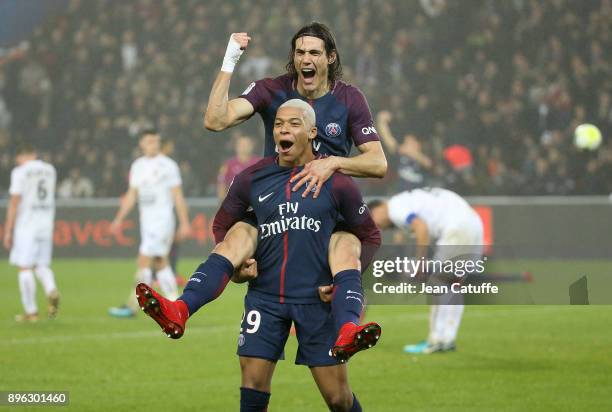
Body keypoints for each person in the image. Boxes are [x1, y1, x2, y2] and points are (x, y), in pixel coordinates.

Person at [137, 100, 381, 411]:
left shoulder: (337, 180)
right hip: (265, 298)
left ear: (312, 132)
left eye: (293, 123)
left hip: (315, 301)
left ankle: (348, 327)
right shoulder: (252, 178)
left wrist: (344, 283)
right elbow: (221, 226)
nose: (283, 129)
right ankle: (181, 308)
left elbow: (371, 235)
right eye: (278, 124)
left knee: (338, 399)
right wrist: (237, 269)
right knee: (252, 385)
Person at [203, 21, 387, 312]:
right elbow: (215, 120)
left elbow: (378, 162)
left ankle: (347, 306)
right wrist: (229, 60)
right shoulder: (272, 90)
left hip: (324, 221)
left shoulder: (350, 99)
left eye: (314, 52)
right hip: (280, 217)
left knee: (329, 343)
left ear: (331, 57)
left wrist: (332, 164)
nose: (306, 59)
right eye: (300, 52)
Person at [367, 187, 484, 354]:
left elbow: (421, 227)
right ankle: (447, 339)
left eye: (373, 220)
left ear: (379, 208)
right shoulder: (406, 201)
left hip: (456, 227)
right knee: (454, 285)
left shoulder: (394, 207)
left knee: (437, 284)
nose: (376, 227)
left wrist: (420, 262)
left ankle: (435, 340)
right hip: (473, 223)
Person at [108, 129, 191, 317]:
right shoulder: (137, 166)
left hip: (162, 222)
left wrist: (184, 222)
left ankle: (133, 305)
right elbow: (132, 195)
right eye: (149, 141)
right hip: (147, 223)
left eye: (156, 141)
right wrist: (119, 218)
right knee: (161, 263)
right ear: (142, 144)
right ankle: (176, 305)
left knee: (144, 260)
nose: (154, 144)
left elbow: (177, 195)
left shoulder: (168, 166)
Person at [3, 143, 60, 322]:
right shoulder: (50, 170)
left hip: (26, 225)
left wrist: (8, 230)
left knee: (25, 266)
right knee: (41, 264)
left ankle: (31, 311)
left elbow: (14, 201)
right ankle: (51, 289)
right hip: (46, 223)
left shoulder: (19, 172)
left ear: (20, 157)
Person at [217, 134, 261, 200]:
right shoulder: (228, 165)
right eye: (241, 145)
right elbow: (221, 184)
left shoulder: (260, 163)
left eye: (247, 145)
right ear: (236, 147)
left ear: (252, 146)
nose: (244, 147)